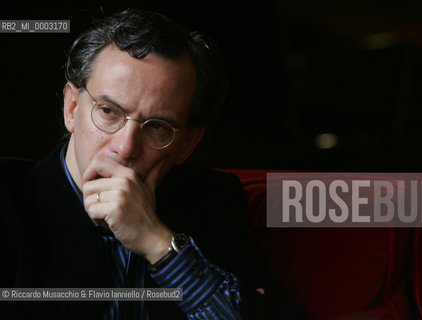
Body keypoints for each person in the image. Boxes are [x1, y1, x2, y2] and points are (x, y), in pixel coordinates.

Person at [0, 8, 301, 320]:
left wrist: (160, 245)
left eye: (158, 127)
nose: (126, 147)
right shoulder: (7, 201)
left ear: (187, 144)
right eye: (108, 111)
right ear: (72, 107)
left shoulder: (214, 203)